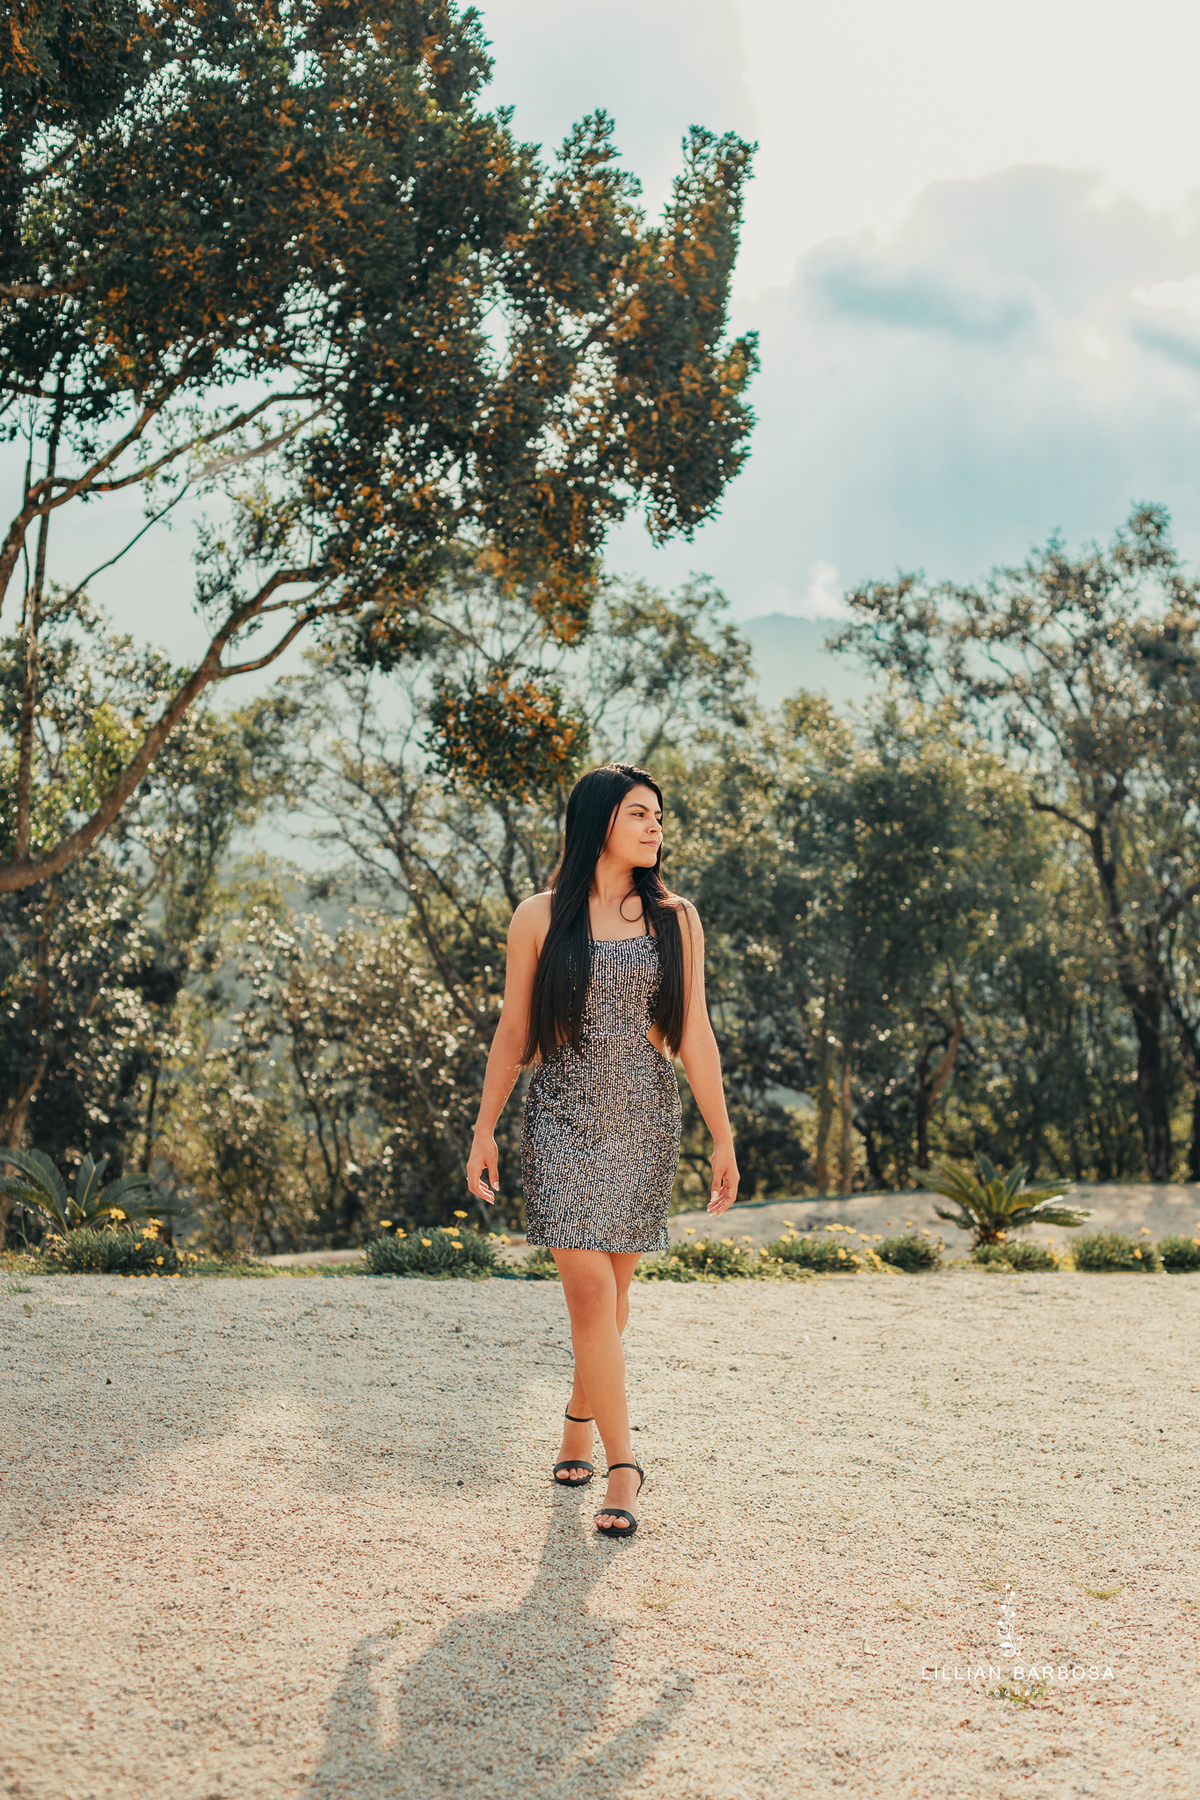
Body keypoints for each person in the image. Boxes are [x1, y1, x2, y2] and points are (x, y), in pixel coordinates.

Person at [467, 762, 739, 1537]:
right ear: (599, 823)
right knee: (589, 1297)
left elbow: (695, 1035)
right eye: (639, 814)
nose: (656, 827)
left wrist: (723, 1138)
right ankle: (625, 1470)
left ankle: (576, 1426)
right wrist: (484, 1126)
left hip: (643, 1121)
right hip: (559, 1117)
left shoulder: (676, 919)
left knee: (613, 1303)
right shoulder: (538, 916)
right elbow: (514, 1029)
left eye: (659, 816)